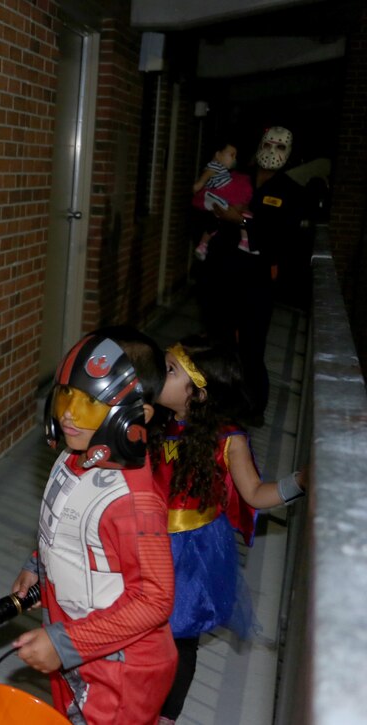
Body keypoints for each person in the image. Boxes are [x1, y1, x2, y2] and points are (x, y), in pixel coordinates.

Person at [11, 327, 177, 725]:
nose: (68, 413)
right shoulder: (75, 458)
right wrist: (38, 565)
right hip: (76, 647)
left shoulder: (133, 504)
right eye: (66, 395)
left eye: (89, 402)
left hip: (120, 671)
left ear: (137, 415)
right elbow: (68, 524)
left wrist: (67, 642)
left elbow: (155, 599)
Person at [147, 336, 306, 725]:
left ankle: (167, 715)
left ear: (198, 395)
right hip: (147, 539)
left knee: (181, 635)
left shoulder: (227, 439)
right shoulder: (153, 421)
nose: (158, 373)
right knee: (141, 625)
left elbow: (253, 493)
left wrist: (299, 482)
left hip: (194, 552)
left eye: (169, 370)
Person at [199, 126, 304, 424]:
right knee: (217, 340)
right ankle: (215, 400)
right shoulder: (236, 178)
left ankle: (253, 407)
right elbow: (206, 207)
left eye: (280, 147)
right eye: (268, 144)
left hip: (256, 280)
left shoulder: (290, 192)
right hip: (221, 272)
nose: (272, 151)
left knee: (252, 346)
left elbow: (282, 238)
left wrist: (242, 222)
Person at [189, 141, 253, 260]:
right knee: (242, 214)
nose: (234, 159)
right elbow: (205, 177)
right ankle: (244, 241)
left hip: (225, 192)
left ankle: (204, 245)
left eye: (235, 156)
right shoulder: (214, 166)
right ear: (218, 155)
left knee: (221, 219)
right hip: (224, 193)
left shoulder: (223, 169)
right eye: (231, 155)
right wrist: (197, 186)